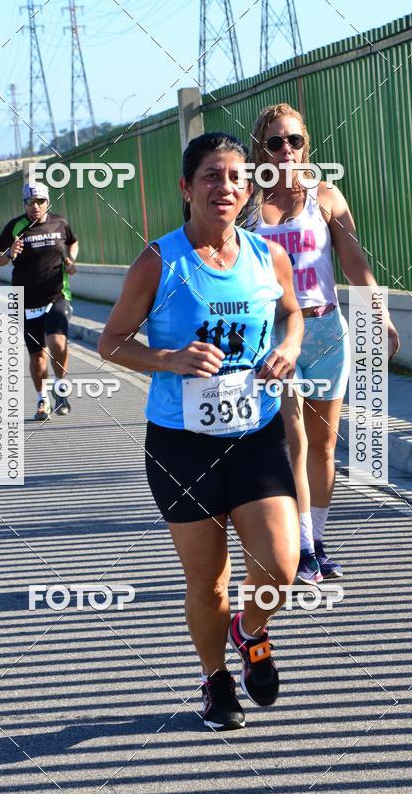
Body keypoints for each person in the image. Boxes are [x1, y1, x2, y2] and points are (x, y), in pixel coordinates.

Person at [99, 132, 304, 731]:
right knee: (208, 578)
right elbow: (111, 342)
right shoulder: (158, 261)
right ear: (187, 188)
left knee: (281, 566)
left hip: (254, 432)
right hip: (181, 444)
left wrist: (289, 348)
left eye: (237, 176)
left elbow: (291, 314)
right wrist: (169, 360)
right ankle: (216, 682)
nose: (226, 186)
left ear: (249, 188)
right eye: (212, 176)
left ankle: (252, 630)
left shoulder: (269, 257)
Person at [244, 103, 400, 584]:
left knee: (325, 445)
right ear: (261, 149)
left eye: (294, 141)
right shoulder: (249, 206)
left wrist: (383, 317)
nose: (286, 150)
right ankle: (303, 548)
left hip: (328, 331)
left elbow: (356, 266)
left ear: (305, 144)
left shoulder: (326, 198)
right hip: (276, 335)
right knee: (295, 439)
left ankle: (318, 537)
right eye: (275, 142)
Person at [0, 183, 79, 420]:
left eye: (40, 202)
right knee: (37, 356)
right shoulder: (15, 227)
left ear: (47, 202)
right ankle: (42, 400)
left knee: (57, 343)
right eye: (30, 203)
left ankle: (61, 389)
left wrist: (70, 260)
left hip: (57, 296)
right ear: (24, 204)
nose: (35, 207)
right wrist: (9, 253)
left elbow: (73, 241)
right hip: (27, 301)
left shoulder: (60, 223)